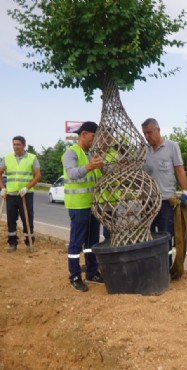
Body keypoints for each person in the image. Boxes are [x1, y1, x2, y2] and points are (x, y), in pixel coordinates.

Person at [141, 118, 187, 268]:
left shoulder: (172, 147)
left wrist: (185, 191)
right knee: (148, 235)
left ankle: (166, 268)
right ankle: (151, 266)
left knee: (165, 235)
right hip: (148, 201)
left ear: (158, 130)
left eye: (150, 132)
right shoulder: (144, 150)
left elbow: (179, 169)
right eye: (145, 134)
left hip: (165, 201)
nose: (147, 136)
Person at [63, 121, 105, 292]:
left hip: (92, 205)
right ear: (84, 134)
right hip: (78, 205)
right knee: (76, 243)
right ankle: (74, 275)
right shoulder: (71, 153)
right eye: (93, 136)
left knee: (91, 242)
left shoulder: (90, 154)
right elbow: (72, 174)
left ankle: (91, 272)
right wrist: (89, 166)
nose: (94, 140)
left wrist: (100, 168)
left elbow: (95, 176)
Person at [0, 136, 42, 252]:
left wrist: (27, 188)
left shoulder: (32, 158)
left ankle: (29, 243)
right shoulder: (7, 158)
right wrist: (2, 188)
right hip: (11, 194)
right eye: (14, 144)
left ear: (24, 145)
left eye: (18, 144)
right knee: (11, 220)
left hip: (25, 194)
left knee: (27, 219)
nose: (16, 147)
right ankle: (12, 243)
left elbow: (38, 176)